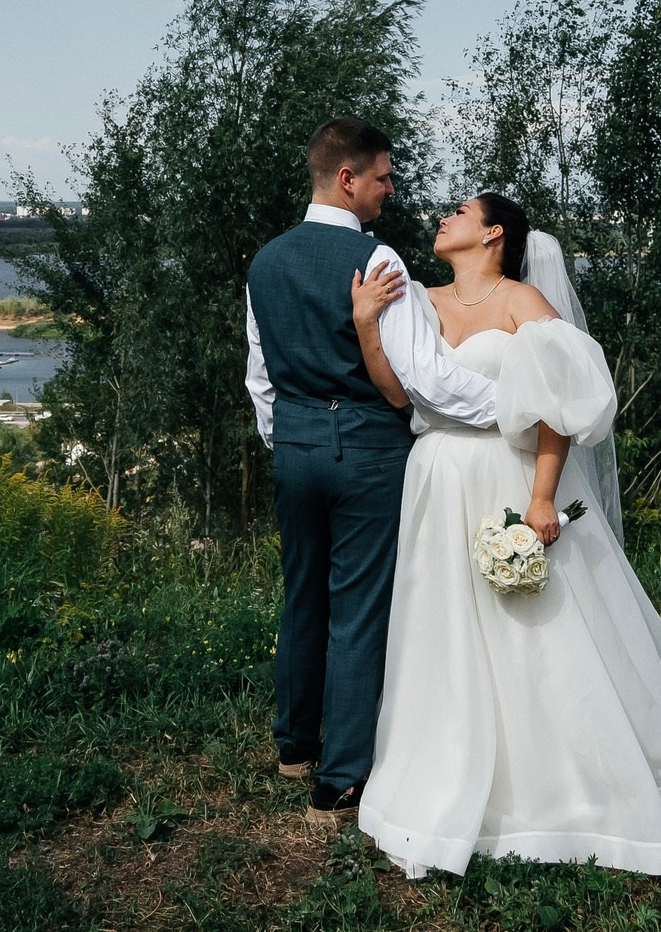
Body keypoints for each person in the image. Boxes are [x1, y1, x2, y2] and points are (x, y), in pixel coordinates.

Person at [347, 190, 661, 879]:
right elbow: (399, 393)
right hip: (435, 475)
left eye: (460, 211)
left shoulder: (524, 303)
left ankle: (554, 772)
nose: (444, 217)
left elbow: (560, 405)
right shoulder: (422, 299)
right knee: (445, 622)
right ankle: (446, 750)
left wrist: (543, 495)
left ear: (493, 231)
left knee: (529, 626)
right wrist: (367, 325)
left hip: (506, 473)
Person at [244, 119, 499, 826]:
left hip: (294, 446)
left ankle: (294, 744)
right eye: (383, 176)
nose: (392, 188)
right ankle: (341, 779)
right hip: (365, 448)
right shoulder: (376, 258)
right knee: (357, 609)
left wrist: (287, 441)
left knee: (302, 593)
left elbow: (259, 376)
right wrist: (513, 404)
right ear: (347, 177)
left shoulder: (265, 262)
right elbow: (424, 377)